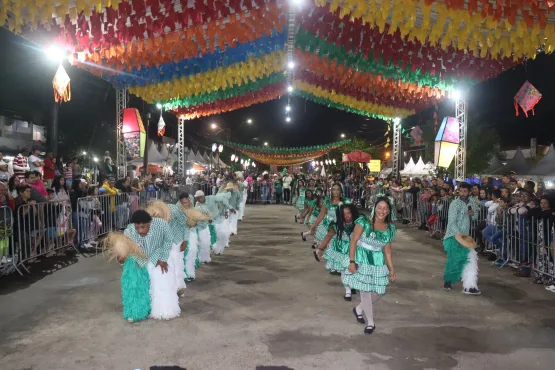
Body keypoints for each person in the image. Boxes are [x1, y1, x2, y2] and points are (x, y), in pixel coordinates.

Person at [343, 196, 397, 335]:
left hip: (377, 262)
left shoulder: (389, 228)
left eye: (385, 208)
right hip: (362, 259)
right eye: (379, 207)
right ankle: (371, 323)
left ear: (389, 211)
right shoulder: (364, 222)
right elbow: (354, 241)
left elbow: (388, 252)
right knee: (365, 292)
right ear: (374, 208)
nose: (382, 210)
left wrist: (391, 269)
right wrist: (351, 261)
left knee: (379, 291)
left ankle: (359, 309)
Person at [123, 209, 180, 321]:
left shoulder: (161, 224)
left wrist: (162, 259)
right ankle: (136, 312)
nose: (139, 230)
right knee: (134, 282)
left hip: (158, 253)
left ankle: (163, 310)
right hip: (138, 257)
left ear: (149, 223)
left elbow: (168, 240)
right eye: (137, 227)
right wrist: (121, 258)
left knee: (161, 279)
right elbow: (128, 249)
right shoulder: (129, 231)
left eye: (142, 227)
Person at [443, 182, 481, 295]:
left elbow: (475, 217)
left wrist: (471, 213)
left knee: (469, 258)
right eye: (461, 191)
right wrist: (459, 235)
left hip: (465, 237)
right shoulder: (455, 203)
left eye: (465, 191)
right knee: (454, 259)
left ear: (469, 192)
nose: (463, 193)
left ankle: (470, 285)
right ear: (458, 191)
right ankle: (448, 280)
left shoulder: (472, 202)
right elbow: (452, 222)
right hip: (453, 236)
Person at [316, 204, 360, 301]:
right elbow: (328, 236)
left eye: (349, 213)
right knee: (344, 270)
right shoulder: (336, 225)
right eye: (344, 214)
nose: (347, 216)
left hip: (354, 249)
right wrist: (320, 249)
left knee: (354, 269)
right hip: (340, 250)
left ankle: (352, 285)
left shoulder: (359, 224)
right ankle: (347, 291)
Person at [193, 190, 214, 264]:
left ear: (203, 196)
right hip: (199, 227)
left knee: (207, 242)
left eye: (199, 198)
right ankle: (201, 258)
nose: (198, 199)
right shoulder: (197, 205)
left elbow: (210, 213)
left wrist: (210, 218)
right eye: (197, 198)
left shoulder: (208, 202)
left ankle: (206, 257)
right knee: (202, 243)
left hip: (206, 226)